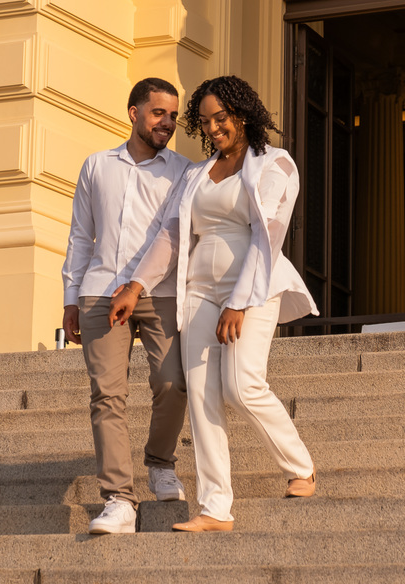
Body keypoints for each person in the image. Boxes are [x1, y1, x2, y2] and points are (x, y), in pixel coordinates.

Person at [109, 75, 318, 533]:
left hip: (253, 288)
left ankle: (300, 466)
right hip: (199, 291)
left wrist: (240, 301)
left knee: (241, 385)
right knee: (202, 396)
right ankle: (215, 507)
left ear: (242, 114)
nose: (214, 129)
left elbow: (268, 238)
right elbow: (170, 234)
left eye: (221, 118)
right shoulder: (197, 174)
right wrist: (136, 286)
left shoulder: (275, 165)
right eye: (205, 122)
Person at [62, 77, 192, 534]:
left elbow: (174, 238)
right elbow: (81, 236)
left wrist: (137, 286)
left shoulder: (184, 171)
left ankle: (159, 462)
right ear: (134, 112)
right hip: (100, 290)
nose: (168, 123)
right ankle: (119, 499)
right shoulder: (97, 166)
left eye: (174, 115)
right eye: (159, 113)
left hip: (161, 291)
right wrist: (70, 298)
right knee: (107, 395)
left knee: (174, 381)